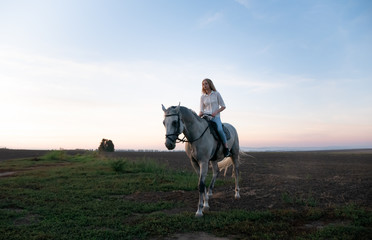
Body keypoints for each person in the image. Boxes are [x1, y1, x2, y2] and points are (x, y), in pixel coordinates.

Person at [198, 78, 232, 157]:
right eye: (203, 84)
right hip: (205, 117)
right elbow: (201, 110)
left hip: (215, 117)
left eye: (206, 84)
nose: (204, 86)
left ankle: (226, 149)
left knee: (219, 130)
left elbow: (223, 106)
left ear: (210, 84)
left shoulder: (216, 94)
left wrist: (216, 112)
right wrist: (197, 117)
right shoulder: (202, 97)